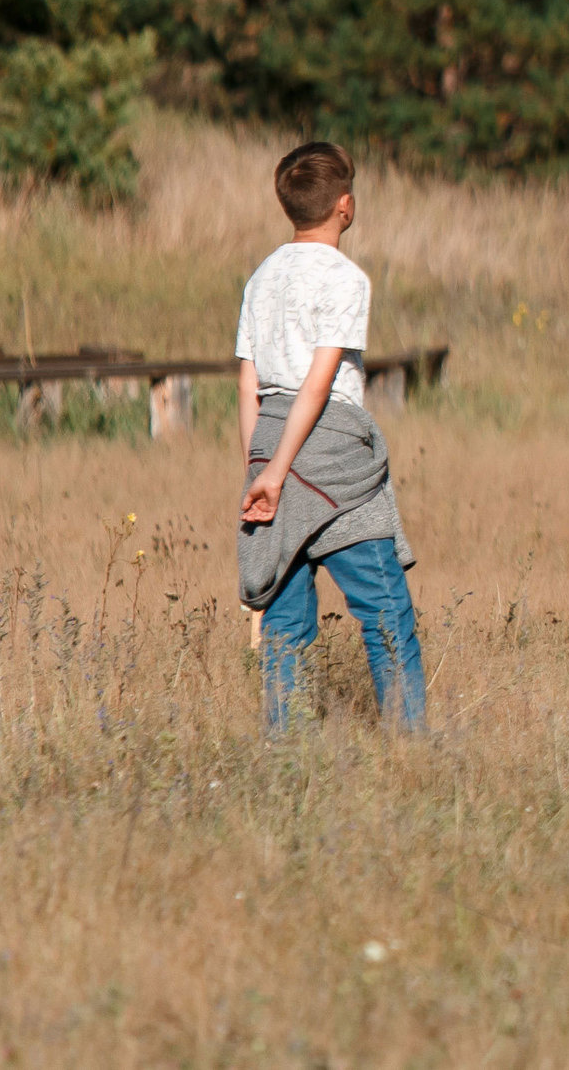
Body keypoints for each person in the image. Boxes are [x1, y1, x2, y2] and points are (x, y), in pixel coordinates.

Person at [235, 142, 425, 728]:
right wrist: (279, 469)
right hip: (328, 451)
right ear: (344, 205)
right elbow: (318, 384)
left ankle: (283, 750)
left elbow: (249, 384)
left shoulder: (260, 277)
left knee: (285, 622)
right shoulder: (347, 279)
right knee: (384, 607)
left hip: (269, 443)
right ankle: (409, 742)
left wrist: (261, 469)